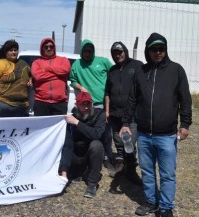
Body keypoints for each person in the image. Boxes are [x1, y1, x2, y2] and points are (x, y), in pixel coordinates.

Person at [120, 33, 192, 217]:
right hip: (144, 135)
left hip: (167, 135)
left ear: (165, 50)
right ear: (148, 50)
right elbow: (132, 100)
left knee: (167, 174)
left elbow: (185, 99)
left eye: (161, 48)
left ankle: (166, 207)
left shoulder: (176, 70)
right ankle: (151, 202)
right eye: (154, 49)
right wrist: (125, 123)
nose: (158, 52)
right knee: (147, 171)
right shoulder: (141, 72)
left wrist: (185, 123)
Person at [69, 39, 114, 169]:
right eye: (85, 51)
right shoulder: (77, 64)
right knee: (87, 132)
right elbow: (72, 80)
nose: (87, 53)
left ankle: (107, 157)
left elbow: (114, 73)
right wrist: (81, 88)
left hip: (104, 102)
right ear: (82, 51)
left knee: (106, 132)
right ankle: (90, 158)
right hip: (88, 105)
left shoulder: (103, 61)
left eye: (90, 51)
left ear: (93, 51)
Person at [104, 42, 142, 185]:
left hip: (131, 115)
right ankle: (120, 166)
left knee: (129, 143)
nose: (118, 55)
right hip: (114, 114)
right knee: (119, 143)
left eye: (120, 52)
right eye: (115, 53)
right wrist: (107, 110)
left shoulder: (137, 66)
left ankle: (131, 171)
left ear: (125, 51)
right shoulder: (112, 70)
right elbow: (107, 92)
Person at [59, 92, 105, 198]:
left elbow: (97, 135)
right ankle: (76, 172)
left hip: (90, 152)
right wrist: (64, 171)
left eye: (88, 104)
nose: (86, 108)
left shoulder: (100, 114)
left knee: (97, 145)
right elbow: (68, 144)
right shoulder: (72, 118)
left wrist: (78, 123)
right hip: (77, 154)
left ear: (92, 104)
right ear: (76, 105)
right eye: (82, 104)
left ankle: (92, 183)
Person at [0, 39, 32, 117]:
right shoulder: (1, 64)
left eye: (15, 50)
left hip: (21, 107)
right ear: (6, 52)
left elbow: (31, 75)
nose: (14, 52)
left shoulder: (24, 64)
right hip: (2, 105)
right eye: (11, 50)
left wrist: (31, 80)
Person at [31, 38, 71, 116]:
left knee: (59, 128)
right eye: (46, 47)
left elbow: (65, 70)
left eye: (51, 46)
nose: (49, 49)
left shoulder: (63, 60)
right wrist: (59, 76)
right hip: (41, 102)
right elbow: (38, 76)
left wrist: (47, 68)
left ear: (54, 47)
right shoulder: (36, 62)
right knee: (40, 127)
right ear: (42, 49)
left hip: (60, 103)